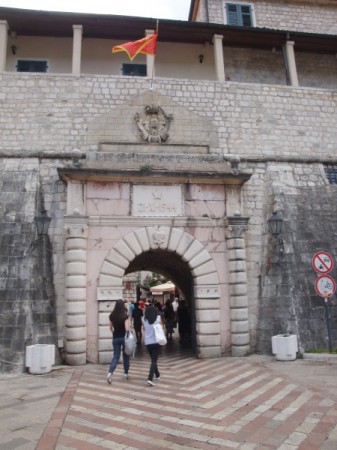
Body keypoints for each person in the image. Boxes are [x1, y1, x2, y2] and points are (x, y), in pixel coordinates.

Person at [107, 299, 130, 384]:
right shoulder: (124, 316)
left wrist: (113, 334)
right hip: (124, 338)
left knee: (116, 356)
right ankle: (126, 373)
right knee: (126, 356)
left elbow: (110, 328)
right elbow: (127, 329)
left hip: (115, 338)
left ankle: (110, 373)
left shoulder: (112, 316)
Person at [143, 304, 162, 386]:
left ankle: (157, 374)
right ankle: (150, 378)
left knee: (153, 359)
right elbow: (161, 328)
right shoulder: (157, 318)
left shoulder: (144, 319)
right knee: (154, 360)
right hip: (156, 342)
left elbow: (144, 329)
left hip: (148, 342)